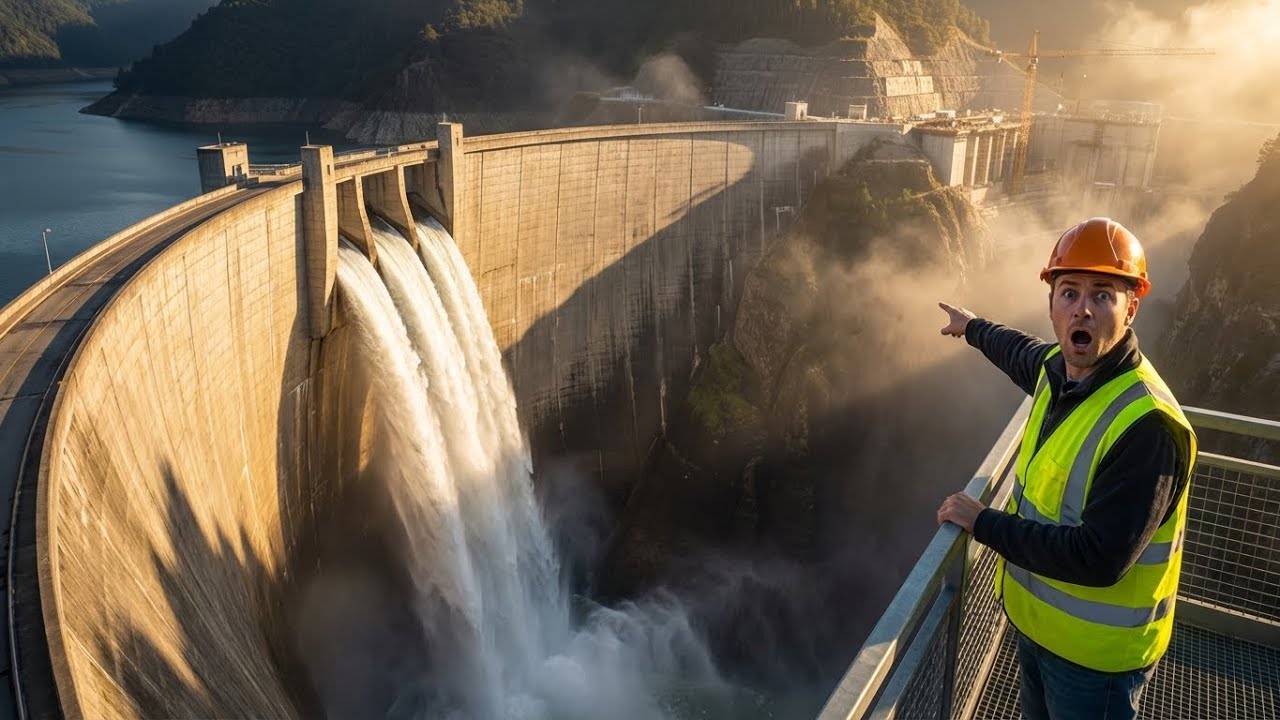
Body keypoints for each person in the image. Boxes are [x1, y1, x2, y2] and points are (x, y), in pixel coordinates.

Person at [934, 217, 1197, 720]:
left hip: (1096, 665)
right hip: (1036, 631)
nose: (1083, 307)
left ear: (1131, 308)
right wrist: (972, 327)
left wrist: (984, 522)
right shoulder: (1061, 369)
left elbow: (1099, 559)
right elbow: (1020, 353)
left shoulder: (1149, 426)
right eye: (1069, 292)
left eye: (1103, 295)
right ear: (1052, 305)